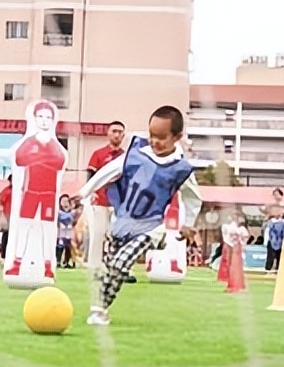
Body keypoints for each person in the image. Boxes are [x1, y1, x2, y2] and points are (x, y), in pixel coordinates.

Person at [75, 105, 202, 326]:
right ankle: (101, 308)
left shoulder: (181, 168)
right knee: (112, 267)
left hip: (151, 227)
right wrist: (84, 192)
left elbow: (193, 197)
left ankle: (97, 309)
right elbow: (109, 171)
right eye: (151, 135)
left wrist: (188, 223)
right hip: (122, 222)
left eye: (161, 137)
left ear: (177, 137)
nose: (154, 141)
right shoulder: (136, 154)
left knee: (119, 264)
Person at [5, 101, 67, 279]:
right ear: (34, 119)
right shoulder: (28, 142)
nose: (45, 121)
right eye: (41, 116)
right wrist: (40, 160)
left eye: (48, 117)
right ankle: (16, 263)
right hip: (30, 192)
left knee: (47, 228)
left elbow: (60, 162)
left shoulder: (56, 146)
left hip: (49, 194)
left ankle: (48, 266)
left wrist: (39, 159)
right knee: (24, 226)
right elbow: (20, 159)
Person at [86, 121, 136, 281]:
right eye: (114, 131)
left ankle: (122, 268)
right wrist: (90, 193)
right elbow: (90, 176)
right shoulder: (98, 154)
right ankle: (94, 267)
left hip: (119, 204)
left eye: (120, 132)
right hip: (100, 201)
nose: (117, 135)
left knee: (121, 236)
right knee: (98, 234)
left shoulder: (126, 157)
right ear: (108, 133)